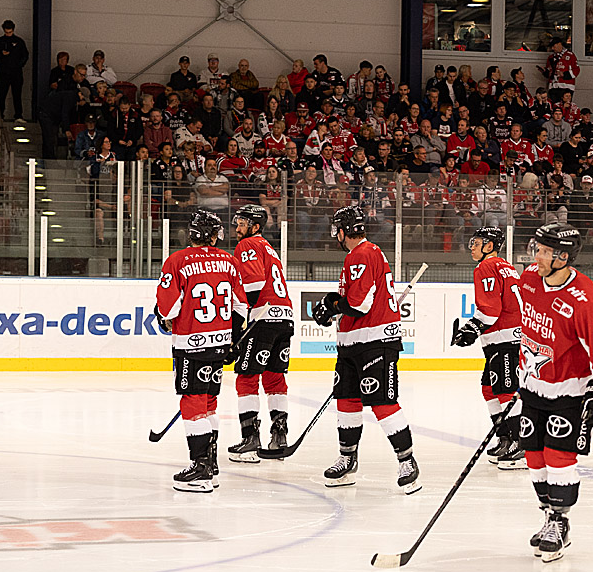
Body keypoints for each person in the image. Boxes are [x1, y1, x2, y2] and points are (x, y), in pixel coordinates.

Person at [517, 223, 593, 562]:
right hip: (533, 385)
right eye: (539, 250)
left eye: (545, 252)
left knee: (558, 456)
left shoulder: (584, 297)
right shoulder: (531, 278)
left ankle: (561, 523)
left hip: (568, 390)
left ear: (563, 257)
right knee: (533, 455)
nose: (537, 257)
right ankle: (547, 514)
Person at [311, 205, 422, 494]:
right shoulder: (364, 254)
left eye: (337, 229)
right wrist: (333, 307)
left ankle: (407, 460)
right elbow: (355, 301)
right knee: (347, 400)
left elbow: (359, 305)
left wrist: (332, 305)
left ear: (343, 231)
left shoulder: (360, 254)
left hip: (374, 342)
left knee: (382, 401)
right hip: (353, 341)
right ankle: (347, 459)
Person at [154, 209, 248, 492]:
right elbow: (241, 307)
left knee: (192, 403)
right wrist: (232, 339)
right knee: (208, 402)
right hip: (220, 342)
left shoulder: (177, 261)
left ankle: (201, 469)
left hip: (191, 343)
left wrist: (163, 315)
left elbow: (167, 309)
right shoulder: (229, 261)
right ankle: (211, 462)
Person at [224, 204, 294, 462]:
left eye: (242, 223)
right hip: (284, 317)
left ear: (255, 226)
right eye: (237, 222)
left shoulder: (247, 246)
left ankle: (250, 440)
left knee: (246, 378)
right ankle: (279, 438)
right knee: (275, 380)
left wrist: (239, 327)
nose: (237, 227)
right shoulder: (268, 248)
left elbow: (253, 287)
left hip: (263, 319)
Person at [451, 227, 525, 467]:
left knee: (505, 390)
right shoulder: (506, 265)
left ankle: (521, 445)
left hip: (504, 339)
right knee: (489, 389)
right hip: (504, 339)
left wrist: (472, 328)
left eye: (477, 242)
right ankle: (505, 438)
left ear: (490, 246)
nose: (472, 246)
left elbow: (490, 311)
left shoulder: (486, 267)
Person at [0, 19, 29, 123]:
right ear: (3, 30)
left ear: (13, 30)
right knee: (1, 95)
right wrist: (1, 54)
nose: (8, 34)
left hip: (16, 73)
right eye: (6, 32)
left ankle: (18, 116)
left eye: (10, 32)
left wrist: (19, 65)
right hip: (3, 73)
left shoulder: (19, 41)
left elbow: (25, 55)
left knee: (17, 94)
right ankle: (0, 116)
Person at [541, 37, 580, 104]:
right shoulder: (551, 57)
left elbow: (576, 70)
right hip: (553, 87)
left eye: (554, 46)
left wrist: (564, 74)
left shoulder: (570, 55)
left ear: (559, 44)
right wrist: (545, 72)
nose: (552, 48)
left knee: (565, 108)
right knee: (554, 108)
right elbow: (549, 73)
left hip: (566, 87)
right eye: (551, 47)